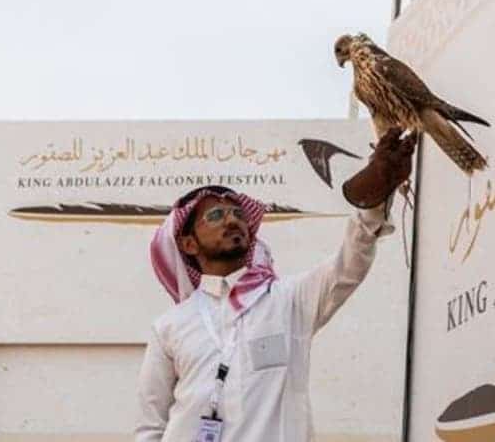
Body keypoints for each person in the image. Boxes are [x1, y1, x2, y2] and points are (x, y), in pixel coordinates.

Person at [135, 128, 416, 442]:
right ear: (188, 244)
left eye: (237, 213)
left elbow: (348, 266)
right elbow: (150, 426)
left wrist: (371, 204)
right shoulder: (171, 326)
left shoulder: (288, 301)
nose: (231, 220)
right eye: (215, 215)